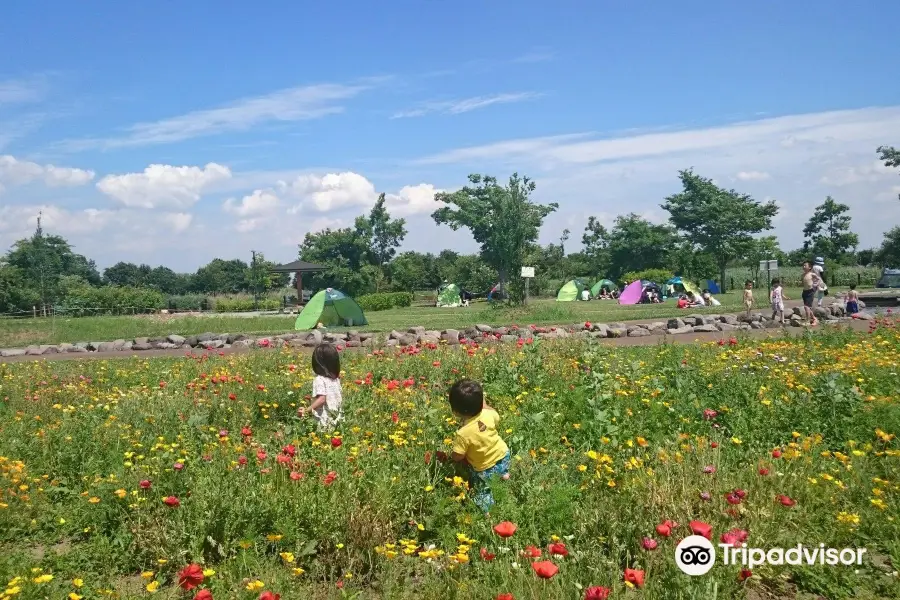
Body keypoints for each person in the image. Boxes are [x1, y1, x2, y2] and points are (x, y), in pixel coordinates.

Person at [449, 379, 510, 512]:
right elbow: (495, 416)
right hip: (503, 455)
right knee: (500, 466)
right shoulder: (489, 414)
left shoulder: (463, 434)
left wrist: (452, 457)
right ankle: (504, 474)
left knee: (482, 489)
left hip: (485, 469)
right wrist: (484, 404)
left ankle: (487, 510)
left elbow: (458, 456)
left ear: (455, 411)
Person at [297, 344, 343, 430]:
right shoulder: (335, 379)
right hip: (337, 418)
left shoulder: (319, 379)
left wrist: (306, 411)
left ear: (317, 363)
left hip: (325, 421)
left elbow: (322, 399)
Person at [801, 262, 820, 326]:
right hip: (804, 292)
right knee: (808, 307)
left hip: (810, 291)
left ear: (809, 267)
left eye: (805, 265)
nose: (803, 267)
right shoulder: (803, 275)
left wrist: (816, 284)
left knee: (806, 307)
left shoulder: (812, 274)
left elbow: (818, 279)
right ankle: (814, 319)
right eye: (803, 265)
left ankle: (808, 321)